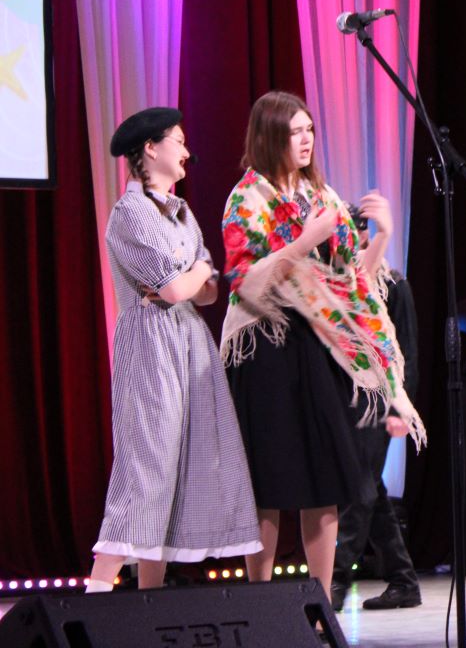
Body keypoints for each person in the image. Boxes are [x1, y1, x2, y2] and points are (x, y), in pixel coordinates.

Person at [219, 90, 425, 601]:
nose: (306, 139)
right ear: (270, 138)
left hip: (317, 350)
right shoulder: (247, 198)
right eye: (295, 131)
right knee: (267, 484)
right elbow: (246, 282)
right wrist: (304, 242)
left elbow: (354, 285)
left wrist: (383, 235)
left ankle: (320, 600)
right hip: (266, 348)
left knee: (323, 482)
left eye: (309, 129)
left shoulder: (323, 196)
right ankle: (261, 603)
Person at [87, 107, 261, 593]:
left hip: (190, 341)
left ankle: (152, 603)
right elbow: (178, 287)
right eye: (178, 141)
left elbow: (205, 292)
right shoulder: (130, 213)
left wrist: (193, 277)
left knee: (184, 469)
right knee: (147, 469)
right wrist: (195, 273)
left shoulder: (182, 213)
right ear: (150, 148)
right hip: (150, 345)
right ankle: (92, 599)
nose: (186, 151)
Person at [329, 258, 423, 612]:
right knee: (370, 489)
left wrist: (401, 409)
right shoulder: (338, 283)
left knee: (360, 488)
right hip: (348, 400)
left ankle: (335, 579)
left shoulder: (393, 284)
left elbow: (407, 351)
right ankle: (403, 579)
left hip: (381, 398)